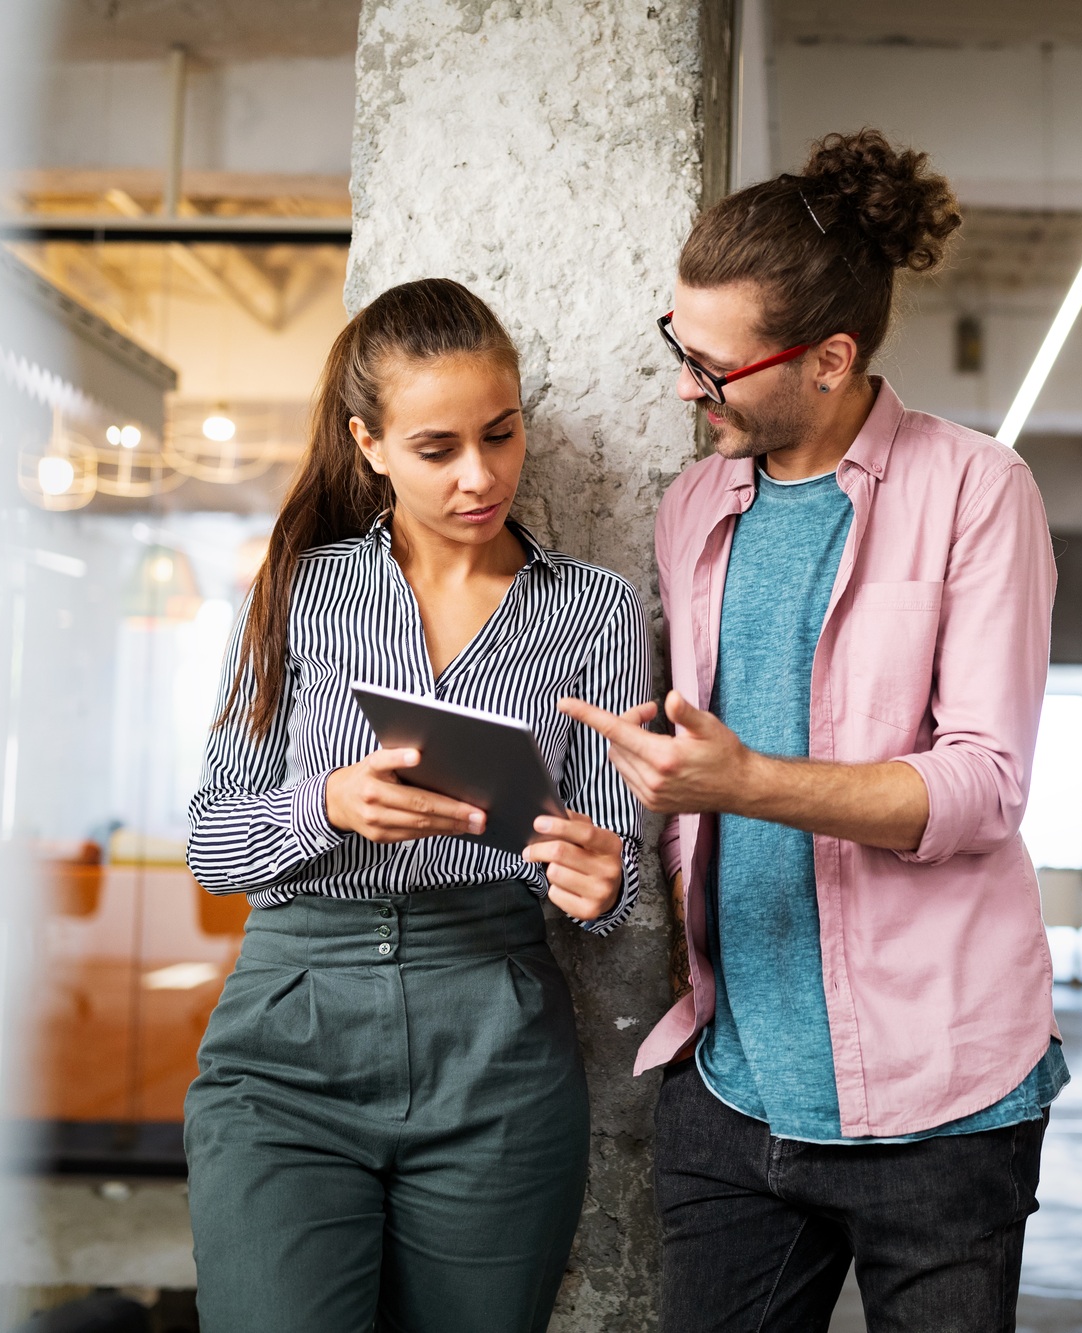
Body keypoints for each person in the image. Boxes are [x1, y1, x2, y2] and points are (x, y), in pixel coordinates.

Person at [563, 130, 1064, 1333]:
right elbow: (697, 778)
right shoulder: (694, 506)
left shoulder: (976, 491)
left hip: (943, 1104)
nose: (689, 386)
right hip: (730, 1091)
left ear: (831, 357)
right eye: (678, 347)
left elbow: (983, 786)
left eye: (717, 366)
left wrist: (745, 779)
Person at [181, 278, 648, 1333]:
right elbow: (212, 842)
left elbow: (616, 871)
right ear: (370, 444)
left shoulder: (592, 610)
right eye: (437, 449)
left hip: (493, 1029)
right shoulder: (298, 588)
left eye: (501, 433)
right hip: (289, 1029)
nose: (481, 477)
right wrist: (326, 806)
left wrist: (605, 879)